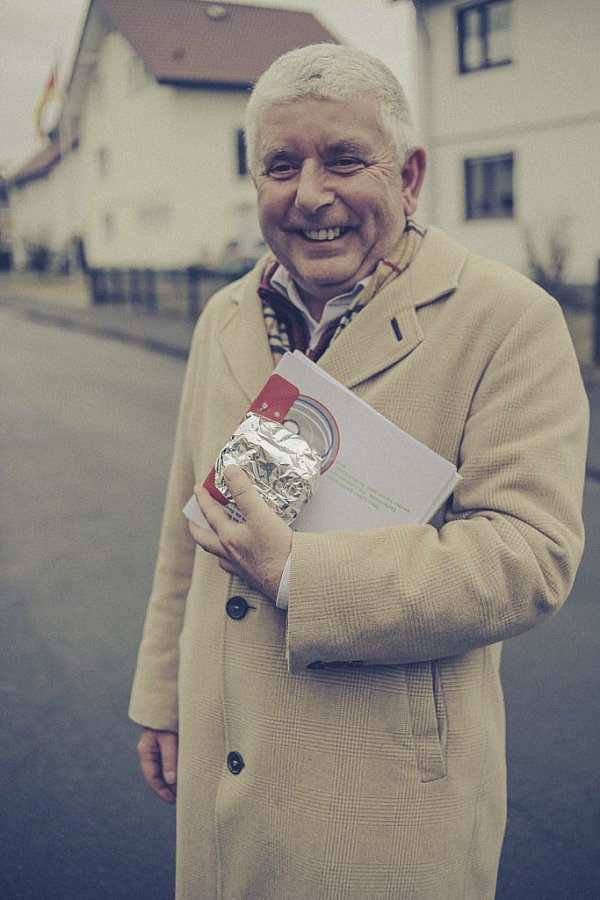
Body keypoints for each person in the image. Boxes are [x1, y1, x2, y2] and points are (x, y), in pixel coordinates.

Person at [129, 44, 588, 899]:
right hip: (224, 761)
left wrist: (299, 574)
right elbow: (182, 531)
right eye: (281, 166)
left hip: (383, 795)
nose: (311, 194)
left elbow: (530, 556)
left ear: (409, 175)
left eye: (344, 159)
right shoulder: (225, 316)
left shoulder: (509, 320)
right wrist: (162, 695)